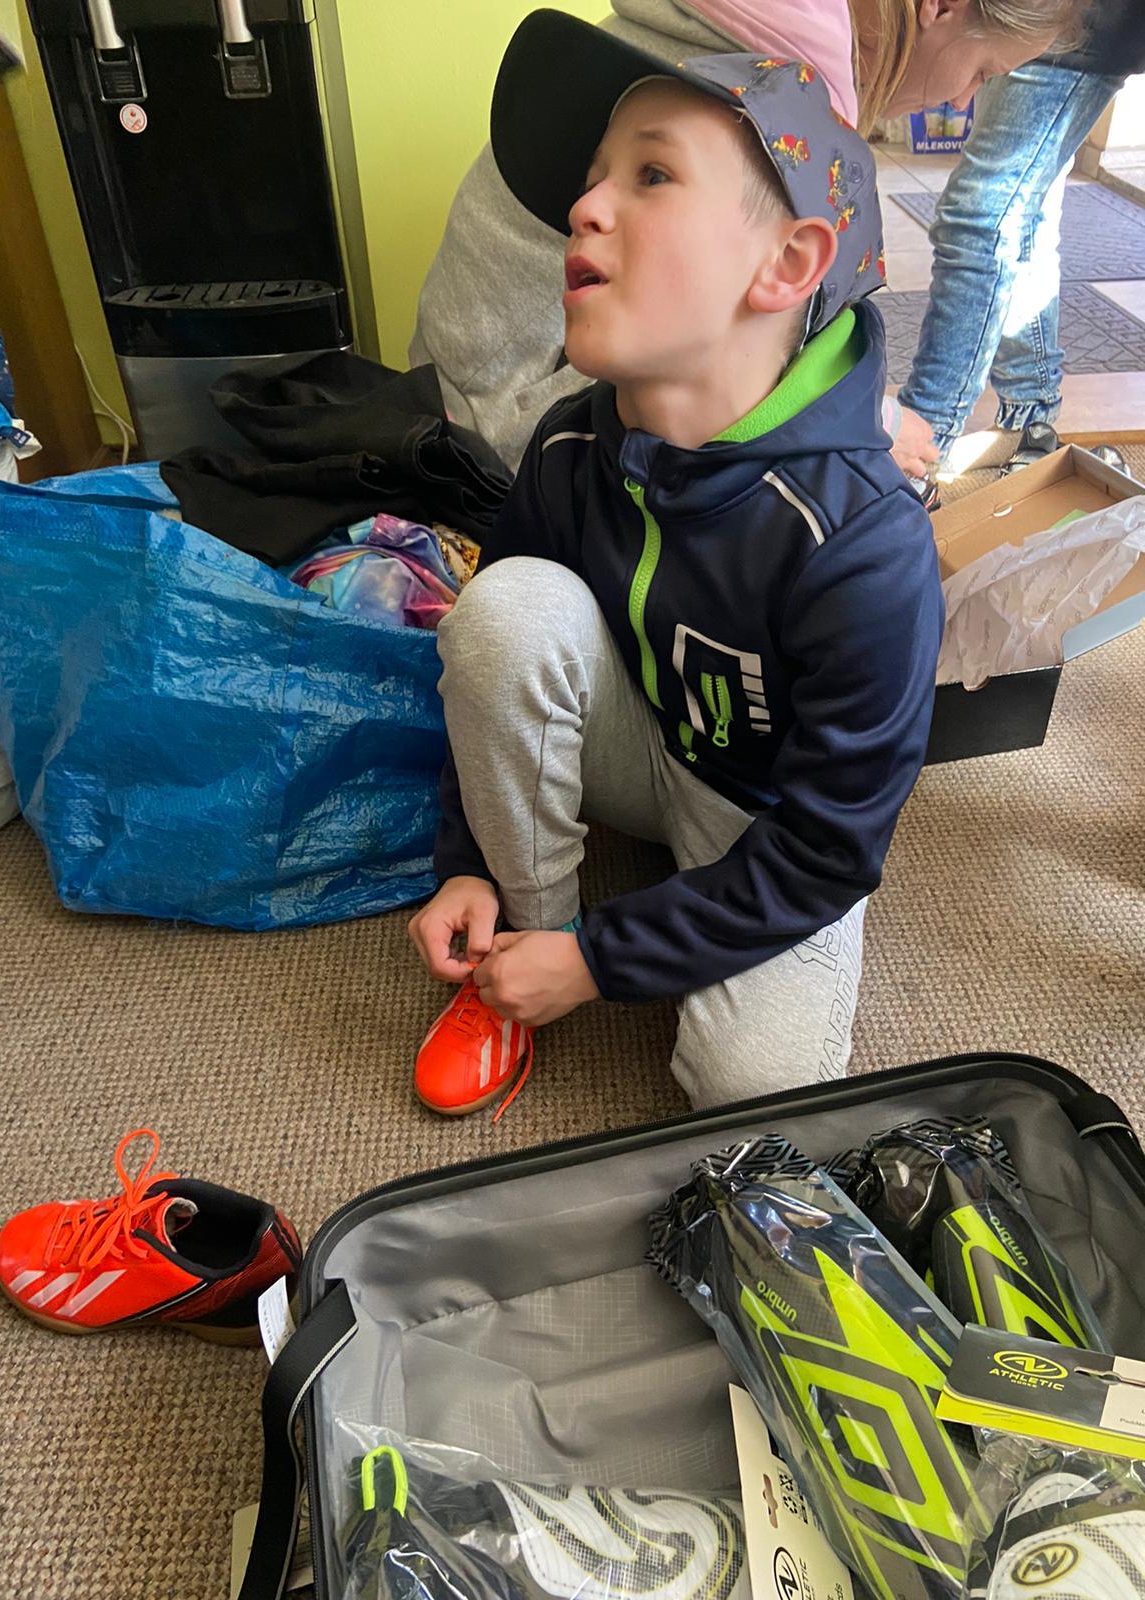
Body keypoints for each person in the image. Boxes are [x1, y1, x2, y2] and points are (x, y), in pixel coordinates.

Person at [407, 9, 944, 1120]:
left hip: (765, 815)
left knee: (753, 1091)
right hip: (637, 737)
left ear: (788, 264)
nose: (584, 207)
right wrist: (472, 866)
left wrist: (609, 960)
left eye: (652, 175)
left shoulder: (866, 547)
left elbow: (829, 848)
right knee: (505, 609)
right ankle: (527, 930)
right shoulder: (568, 440)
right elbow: (492, 665)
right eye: (595, 176)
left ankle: (581, 948)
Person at [410, 0, 1079, 475]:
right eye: (983, 72)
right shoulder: (757, 101)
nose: (963, 103)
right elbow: (715, 364)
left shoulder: (718, 26)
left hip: (448, 385)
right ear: (940, 6)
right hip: (496, 442)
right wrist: (869, 429)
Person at [895, 0, 1145, 477]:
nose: (961, 101)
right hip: (1049, 25)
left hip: (1075, 28)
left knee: (979, 216)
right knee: (1022, 215)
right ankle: (1030, 419)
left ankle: (919, 450)